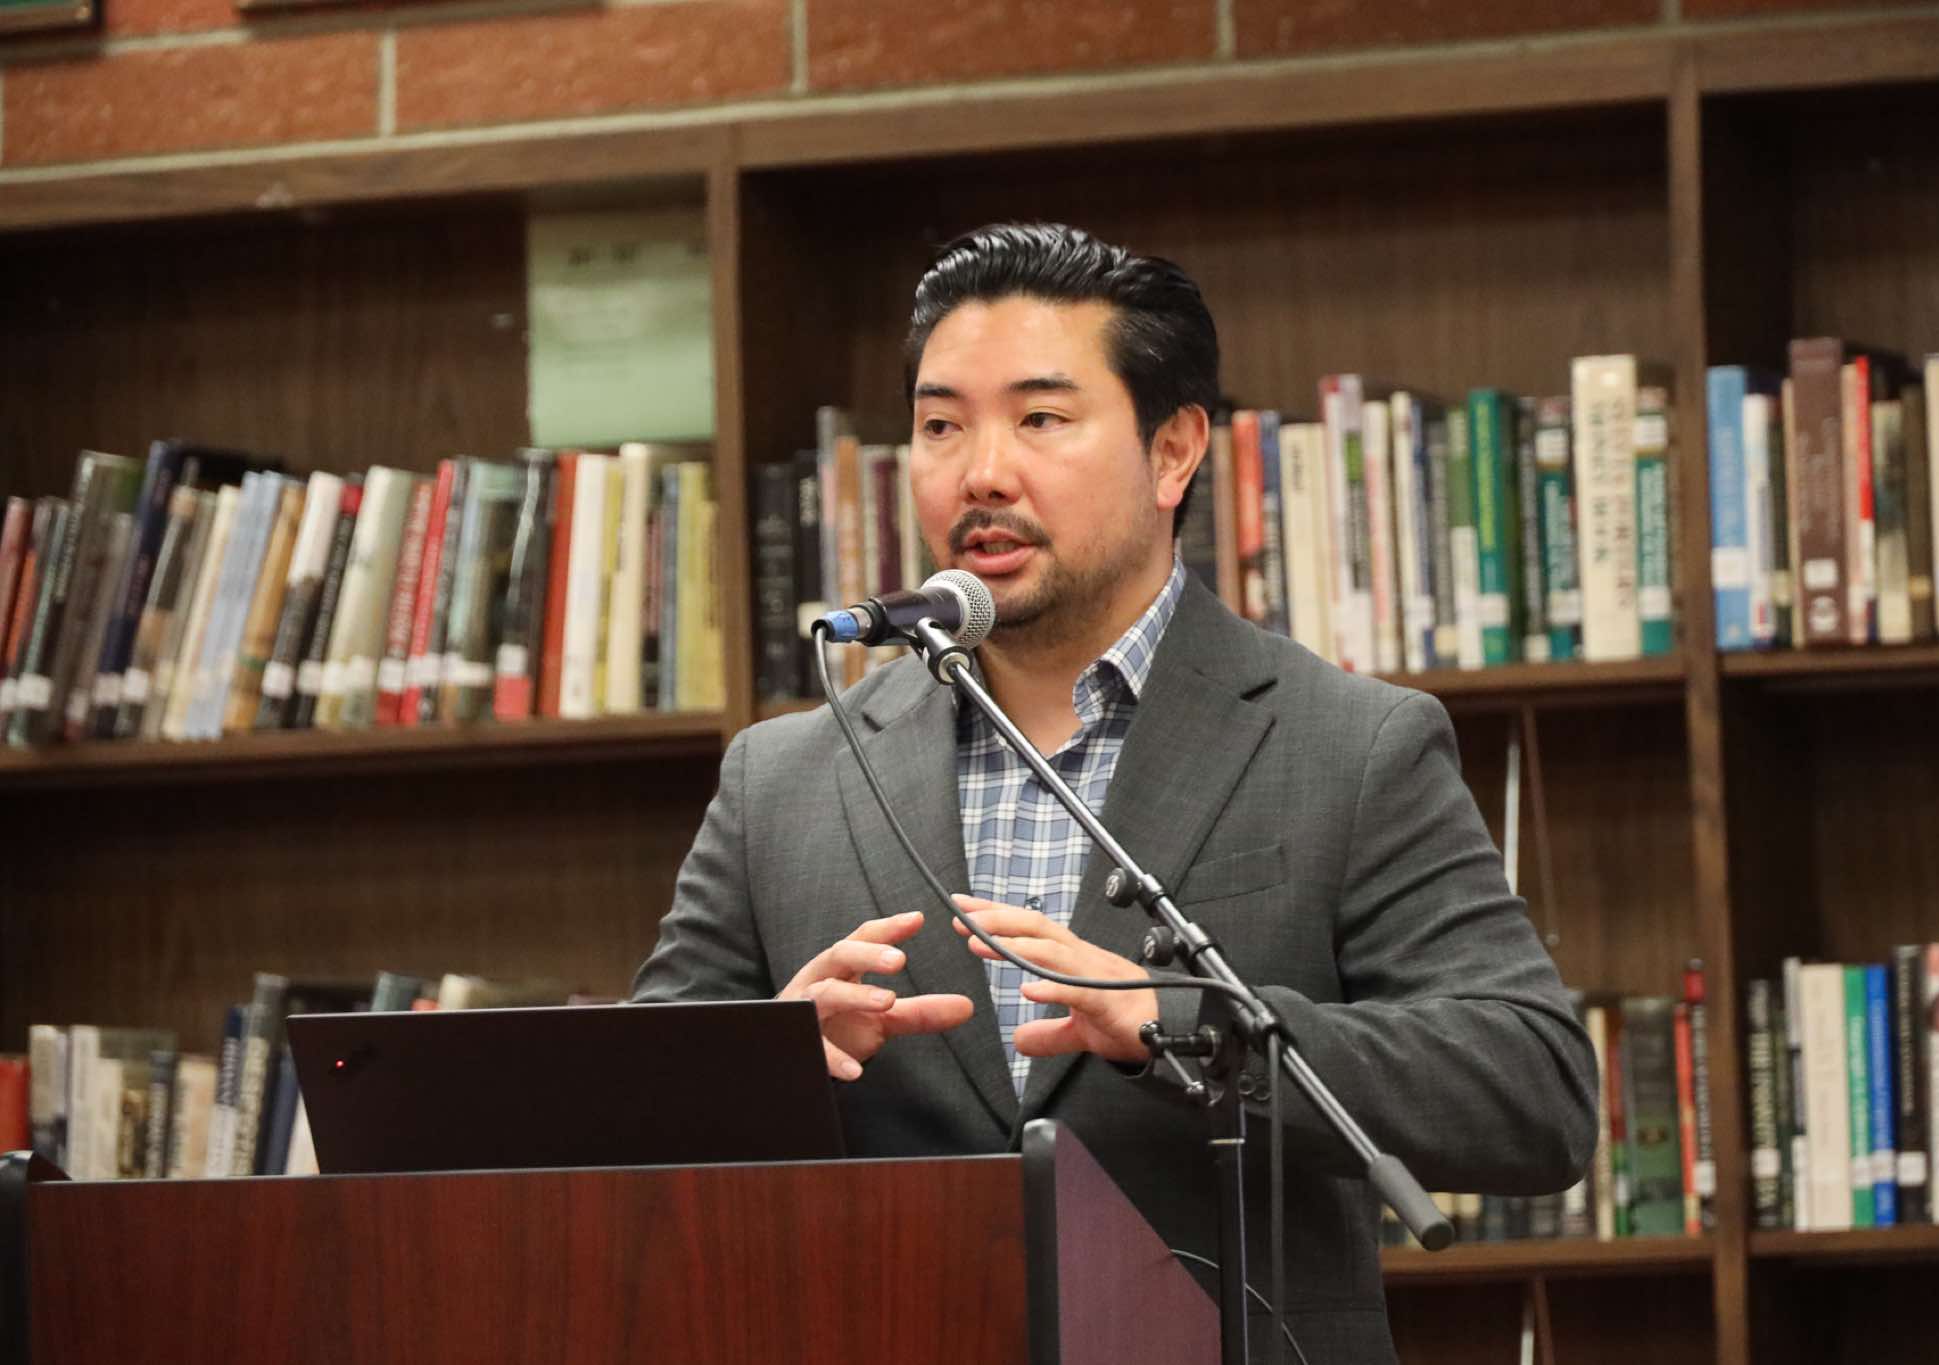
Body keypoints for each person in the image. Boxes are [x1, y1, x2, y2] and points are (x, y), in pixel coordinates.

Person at [633, 222, 1598, 1364]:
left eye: (1040, 419)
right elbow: (622, 1130)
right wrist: (769, 1065)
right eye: (941, 426)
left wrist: (1178, 1024)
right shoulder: (784, 775)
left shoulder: (1347, 742)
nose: (981, 472)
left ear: (1172, 451)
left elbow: (1531, 1090)